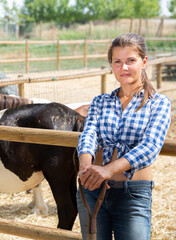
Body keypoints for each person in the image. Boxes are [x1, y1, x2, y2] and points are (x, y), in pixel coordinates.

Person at [76, 33, 171, 240]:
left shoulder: (159, 103)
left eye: (130, 61)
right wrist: (86, 168)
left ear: (144, 62)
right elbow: (88, 134)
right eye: (117, 61)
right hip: (93, 189)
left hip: (133, 194)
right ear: (111, 64)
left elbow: (149, 148)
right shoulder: (101, 101)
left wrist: (107, 170)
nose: (124, 67)